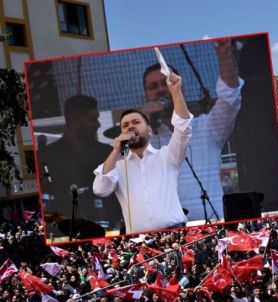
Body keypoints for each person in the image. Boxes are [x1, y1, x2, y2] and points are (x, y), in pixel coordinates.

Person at [141, 39, 242, 223]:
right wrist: (141, 122)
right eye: (152, 87)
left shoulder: (207, 127)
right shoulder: (143, 140)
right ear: (146, 96)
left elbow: (231, 98)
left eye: (166, 83)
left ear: (180, 88)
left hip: (211, 223)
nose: (161, 90)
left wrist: (224, 55)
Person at [92, 72, 191, 233]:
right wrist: (117, 150)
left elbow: (183, 129)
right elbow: (100, 189)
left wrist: (176, 93)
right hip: (139, 242)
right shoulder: (117, 164)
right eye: (125, 125)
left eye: (136, 122)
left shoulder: (166, 156)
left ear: (149, 130)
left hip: (175, 233)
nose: (130, 126)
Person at [38, 95, 120, 231]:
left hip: (106, 227)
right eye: (92, 119)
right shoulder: (47, 156)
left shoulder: (107, 153)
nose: (98, 124)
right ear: (74, 121)